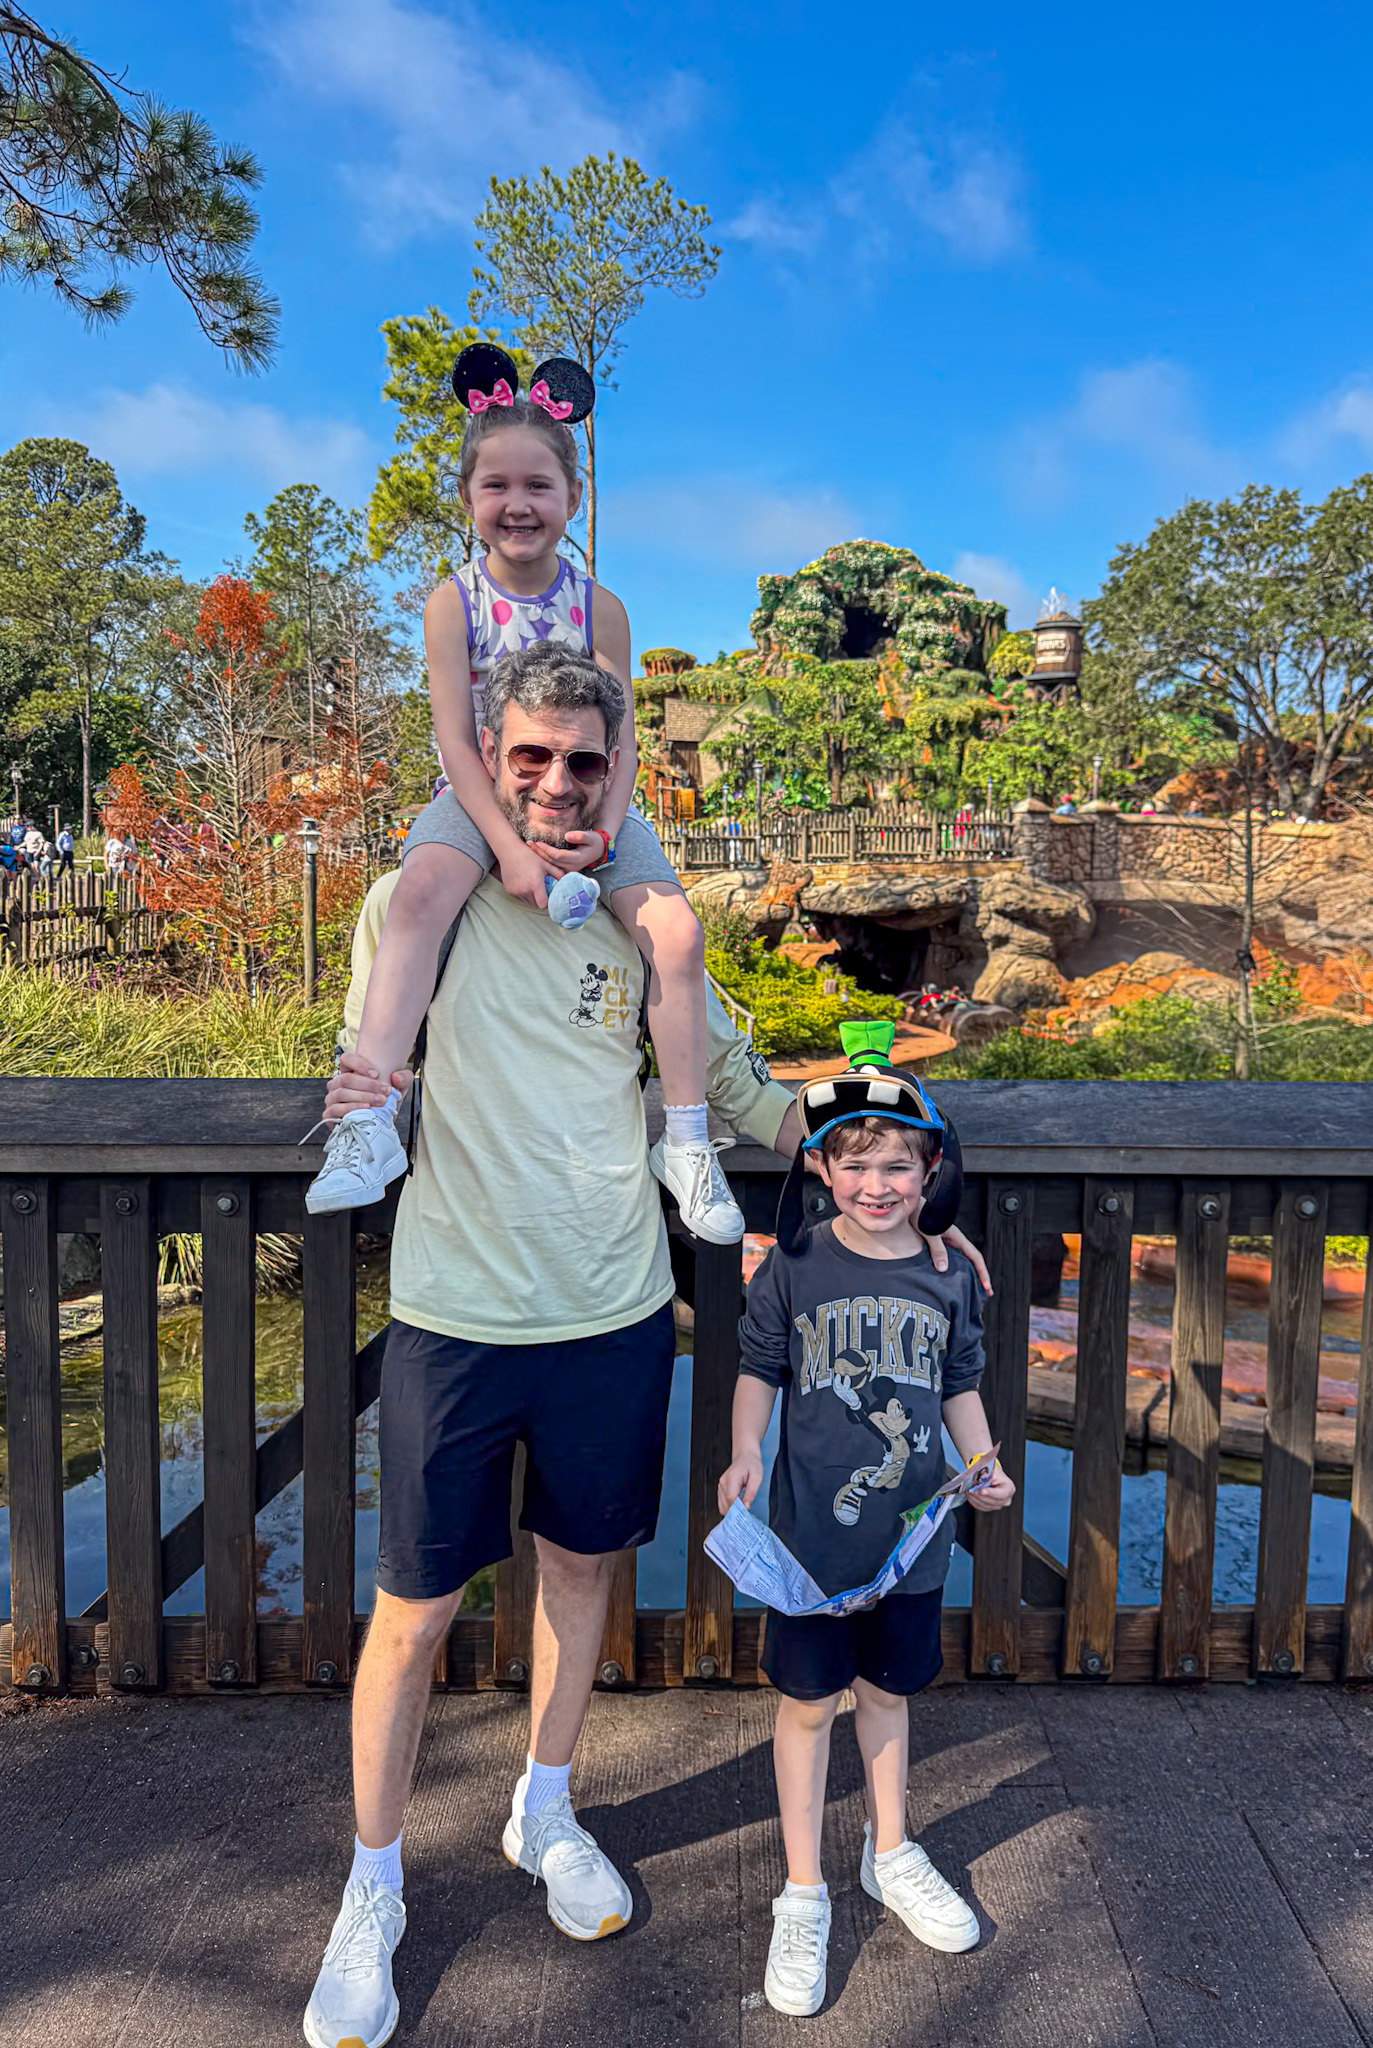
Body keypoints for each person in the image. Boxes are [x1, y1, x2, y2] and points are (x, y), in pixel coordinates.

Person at [304, 341, 741, 1247]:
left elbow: (616, 740)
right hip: (479, 793)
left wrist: (607, 834)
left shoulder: (601, 608)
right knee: (416, 897)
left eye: (539, 486)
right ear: (469, 500)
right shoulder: (450, 603)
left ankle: (690, 1142)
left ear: (570, 500)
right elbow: (457, 741)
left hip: (589, 795)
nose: (518, 504)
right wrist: (504, 849)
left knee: (677, 929)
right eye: (496, 486)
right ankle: (370, 1116)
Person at [718, 1026, 1015, 2018]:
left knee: (888, 1691)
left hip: (913, 1541)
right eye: (856, 1162)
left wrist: (981, 1462)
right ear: (820, 1165)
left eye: (899, 1163)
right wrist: (745, 1450)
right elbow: (759, 1363)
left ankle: (890, 1850)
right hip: (809, 1537)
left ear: (932, 1171)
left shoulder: (946, 1273)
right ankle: (803, 1888)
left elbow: (961, 1385)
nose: (878, 1182)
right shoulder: (793, 1264)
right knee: (808, 1702)